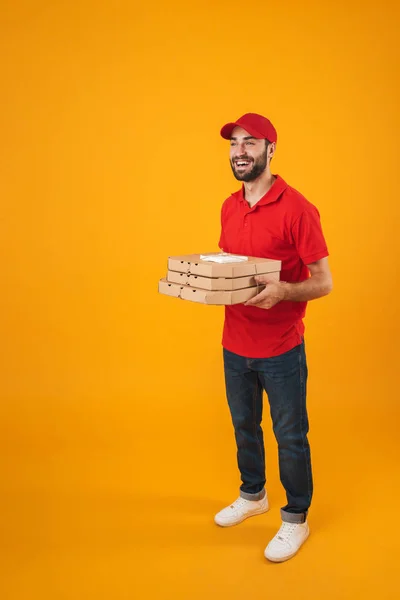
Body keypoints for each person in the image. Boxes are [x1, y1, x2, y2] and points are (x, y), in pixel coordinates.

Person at [214, 112, 332, 563]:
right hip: (233, 343)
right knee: (244, 426)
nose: (240, 150)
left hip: (281, 347)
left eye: (250, 142)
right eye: (233, 143)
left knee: (290, 435)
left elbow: (323, 281)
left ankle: (295, 518)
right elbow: (231, 270)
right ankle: (252, 495)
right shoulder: (228, 205)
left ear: (270, 149)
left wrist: (284, 290)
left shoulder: (298, 209)